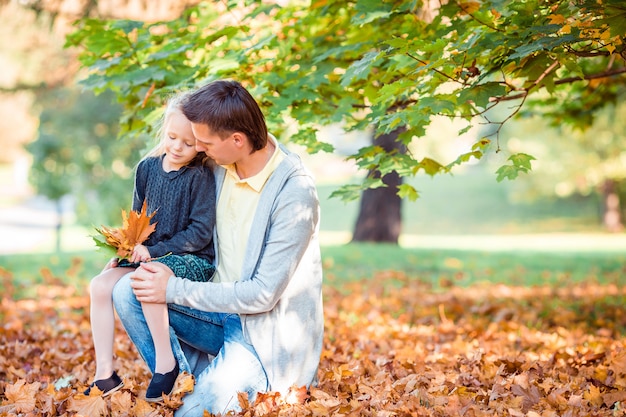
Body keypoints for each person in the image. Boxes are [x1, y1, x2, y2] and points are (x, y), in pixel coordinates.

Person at [111, 79, 324, 415]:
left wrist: (173, 288)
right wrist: (132, 252)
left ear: (237, 140)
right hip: (212, 312)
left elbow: (261, 295)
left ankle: (211, 387)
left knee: (194, 414)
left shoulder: (294, 193)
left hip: (261, 335)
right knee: (127, 290)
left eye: (204, 142)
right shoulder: (216, 166)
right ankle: (185, 377)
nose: (198, 147)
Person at [85, 92, 216, 402]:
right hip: (146, 256)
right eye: (172, 137)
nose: (177, 147)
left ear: (200, 142)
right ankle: (104, 374)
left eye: (188, 142)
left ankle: (166, 364)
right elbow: (136, 221)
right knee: (100, 286)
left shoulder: (200, 177)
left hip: (191, 258)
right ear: (164, 129)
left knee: (147, 277)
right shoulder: (146, 168)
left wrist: (152, 253)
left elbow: (199, 233)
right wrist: (122, 254)